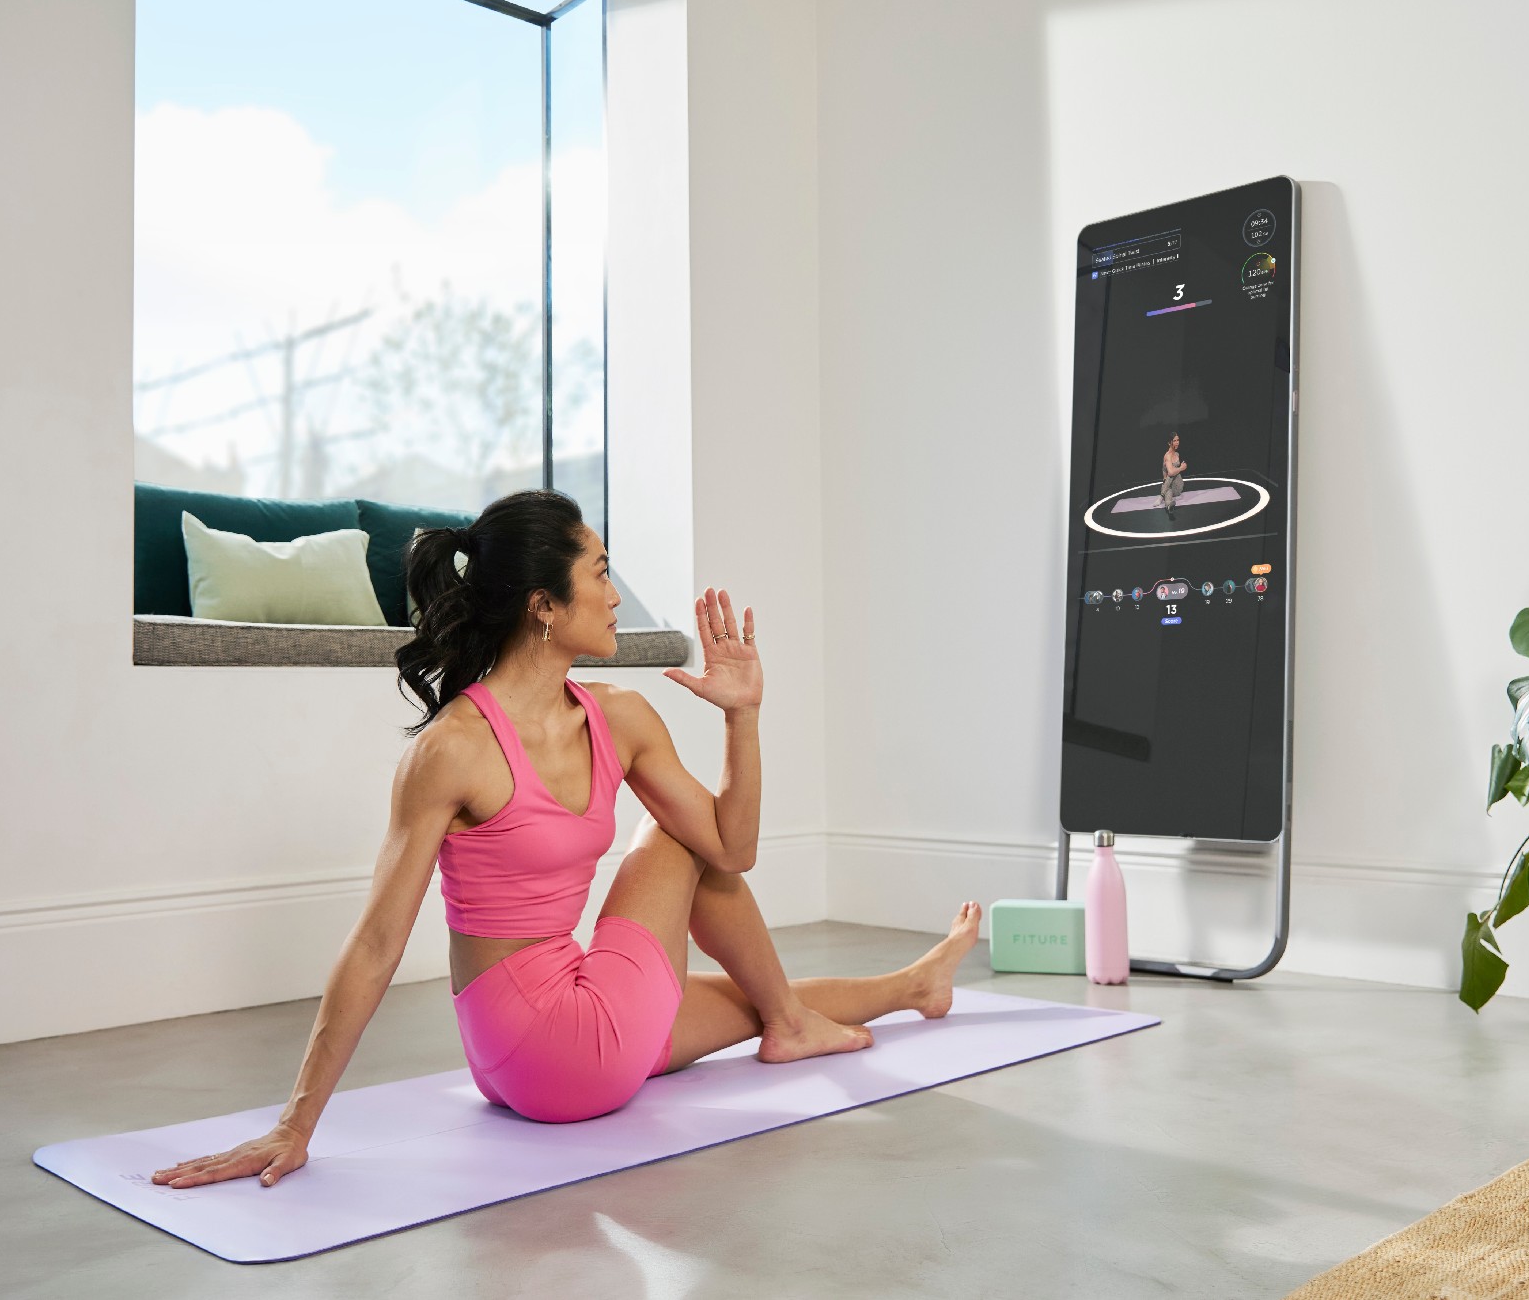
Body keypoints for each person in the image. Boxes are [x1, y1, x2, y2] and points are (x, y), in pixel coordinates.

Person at [152, 490, 982, 1189]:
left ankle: (913, 984)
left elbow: (738, 846)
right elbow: (725, 851)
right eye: (600, 573)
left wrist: (742, 714)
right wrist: (294, 1126)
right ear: (543, 605)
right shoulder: (457, 748)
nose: (617, 594)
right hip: (563, 1041)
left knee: (741, 1005)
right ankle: (794, 1021)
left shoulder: (605, 718)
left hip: (515, 1052)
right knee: (680, 840)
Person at [1158, 432, 1188, 515]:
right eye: (1174, 441)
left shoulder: (1177, 454)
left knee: (1170, 476)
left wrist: (1181, 468)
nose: (1177, 442)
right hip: (1169, 486)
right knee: (1168, 490)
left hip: (1178, 485)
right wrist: (1180, 468)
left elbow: (1171, 473)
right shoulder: (1167, 456)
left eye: (1178, 440)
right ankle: (1169, 506)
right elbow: (1166, 470)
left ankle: (1161, 495)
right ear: (1169, 443)